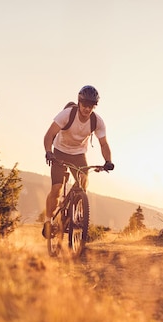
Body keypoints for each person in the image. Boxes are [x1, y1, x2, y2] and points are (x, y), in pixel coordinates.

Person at [42, 85, 114, 238]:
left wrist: (108, 160)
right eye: (85, 104)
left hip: (78, 154)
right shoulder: (67, 115)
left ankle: (77, 213)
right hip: (60, 152)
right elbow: (49, 135)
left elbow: (104, 144)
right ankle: (48, 221)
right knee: (56, 189)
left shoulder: (97, 121)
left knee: (83, 183)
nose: (87, 109)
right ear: (79, 103)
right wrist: (48, 152)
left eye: (91, 106)